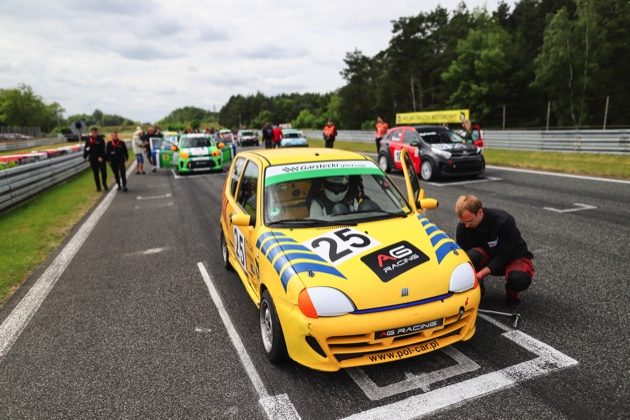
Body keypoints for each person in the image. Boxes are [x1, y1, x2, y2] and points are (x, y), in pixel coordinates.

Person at [454, 195, 534, 307]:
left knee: (519, 279)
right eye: (463, 222)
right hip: (487, 255)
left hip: (512, 256)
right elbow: (462, 256)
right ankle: (478, 291)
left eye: (470, 221)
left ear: (480, 212)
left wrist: (480, 274)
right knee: (470, 257)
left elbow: (504, 255)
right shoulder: (463, 226)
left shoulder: (504, 220)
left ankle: (512, 295)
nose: (466, 226)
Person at [83, 127, 108, 192]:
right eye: (92, 132)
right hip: (92, 159)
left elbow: (103, 149)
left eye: (95, 132)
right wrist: (84, 156)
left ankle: (104, 184)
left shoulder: (101, 139)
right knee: (95, 173)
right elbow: (86, 148)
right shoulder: (88, 139)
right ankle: (98, 187)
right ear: (91, 132)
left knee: (103, 172)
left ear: (97, 132)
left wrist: (101, 156)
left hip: (101, 159)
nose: (94, 133)